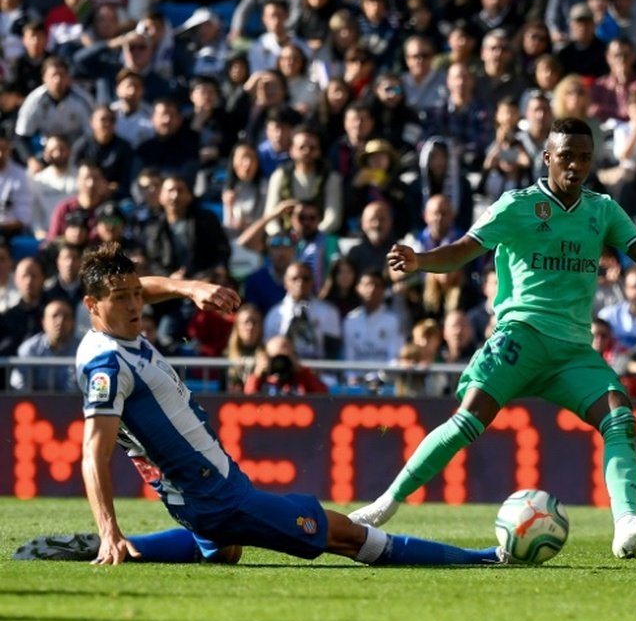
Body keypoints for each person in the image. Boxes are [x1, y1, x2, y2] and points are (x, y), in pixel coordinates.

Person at [349, 118, 636, 559]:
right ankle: (386, 503)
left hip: (573, 351)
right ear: (547, 158)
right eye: (567, 156)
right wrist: (420, 260)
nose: (575, 165)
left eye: (584, 158)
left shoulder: (603, 210)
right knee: (468, 421)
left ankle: (626, 524)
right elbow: (464, 249)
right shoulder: (516, 206)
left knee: (620, 417)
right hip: (521, 335)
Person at [76, 241, 506, 567]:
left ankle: (124, 549)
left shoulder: (114, 331)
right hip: (217, 497)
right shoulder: (107, 366)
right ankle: (481, 558)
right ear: (93, 305)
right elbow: (95, 453)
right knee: (346, 534)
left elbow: (139, 289)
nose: (136, 303)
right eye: (122, 297)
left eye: (136, 292)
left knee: (226, 551)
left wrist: (189, 288)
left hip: (204, 496)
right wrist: (107, 528)